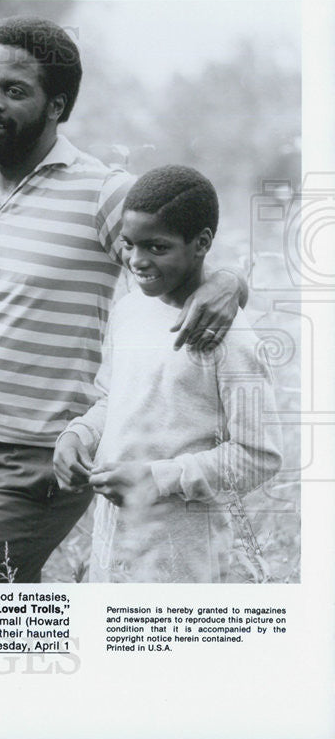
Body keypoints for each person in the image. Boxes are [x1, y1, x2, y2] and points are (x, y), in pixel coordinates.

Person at [0, 16, 248, 583]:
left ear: (56, 106)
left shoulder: (103, 193)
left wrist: (231, 281)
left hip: (37, 461)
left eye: (15, 91)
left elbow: (191, 251)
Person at [54, 166, 283, 582]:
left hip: (183, 557)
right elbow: (114, 398)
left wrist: (158, 479)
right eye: (129, 244)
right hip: (114, 547)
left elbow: (259, 456)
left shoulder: (231, 339)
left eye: (157, 247)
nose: (137, 261)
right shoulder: (128, 310)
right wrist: (80, 434)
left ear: (202, 244)